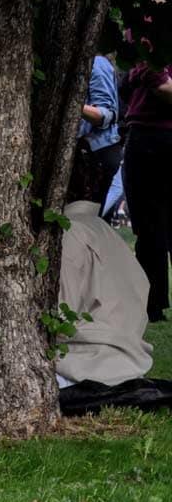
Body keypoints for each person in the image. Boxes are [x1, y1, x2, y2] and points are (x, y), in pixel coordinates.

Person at [56, 141, 153, 387]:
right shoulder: (104, 231)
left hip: (84, 366)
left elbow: (58, 319)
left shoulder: (69, 234)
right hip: (127, 362)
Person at [120, 61, 172, 321]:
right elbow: (159, 84)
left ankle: (152, 305)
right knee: (150, 228)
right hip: (150, 137)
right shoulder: (151, 31)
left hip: (151, 138)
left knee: (151, 227)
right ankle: (152, 304)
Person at [79, 55, 123, 217]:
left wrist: (73, 103)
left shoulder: (97, 63)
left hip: (99, 154)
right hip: (82, 156)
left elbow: (106, 115)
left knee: (90, 225)